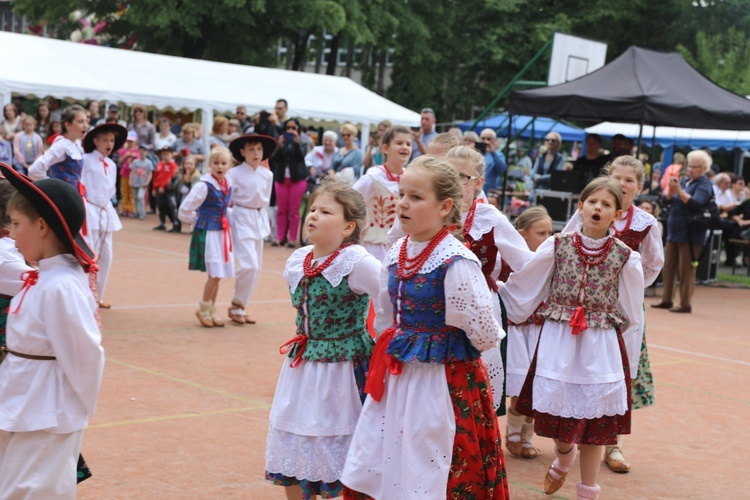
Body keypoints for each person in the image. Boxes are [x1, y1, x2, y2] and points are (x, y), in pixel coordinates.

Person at [341, 156, 509, 499]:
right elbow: (386, 313)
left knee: (432, 458)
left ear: (445, 206)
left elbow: (485, 333)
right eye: (402, 194)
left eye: (416, 197)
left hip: (443, 381)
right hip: (400, 375)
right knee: (389, 452)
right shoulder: (398, 250)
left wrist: (437, 342)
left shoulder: (457, 262)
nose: (403, 203)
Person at [500, 177, 644, 499]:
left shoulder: (624, 257)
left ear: (617, 215)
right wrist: (498, 294)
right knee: (554, 416)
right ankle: (565, 454)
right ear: (580, 207)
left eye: (606, 205)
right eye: (593, 201)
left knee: (595, 427)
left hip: (599, 346)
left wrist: (602, 324)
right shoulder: (557, 246)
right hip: (558, 342)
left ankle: (587, 492)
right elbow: (528, 284)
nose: (598, 207)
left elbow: (630, 309)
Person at [265, 181, 381, 499]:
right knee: (294, 437)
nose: (313, 215)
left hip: (343, 368)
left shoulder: (357, 262)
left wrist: (382, 338)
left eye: (325, 211)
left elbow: (389, 298)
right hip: (302, 363)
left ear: (348, 226)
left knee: (341, 440)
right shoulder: (300, 259)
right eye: (313, 208)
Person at [0, 164, 104, 499]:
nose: (11, 234)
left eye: (16, 224)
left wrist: (72, 410)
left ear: (42, 226)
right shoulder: (43, 278)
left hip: (47, 411)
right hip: (25, 400)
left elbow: (85, 356)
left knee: (37, 491)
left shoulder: (61, 287)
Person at [564, 155, 664, 473]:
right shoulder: (590, 208)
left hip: (622, 312)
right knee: (574, 364)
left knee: (618, 371)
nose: (622, 184)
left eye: (629, 180)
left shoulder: (646, 223)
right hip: (583, 306)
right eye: (617, 177)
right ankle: (566, 435)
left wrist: (628, 289)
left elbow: (653, 263)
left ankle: (612, 443)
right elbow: (564, 243)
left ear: (639, 186)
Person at [503, 206, 553, 459]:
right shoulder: (509, 261)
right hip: (517, 332)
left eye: (549, 233)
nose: (547, 238)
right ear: (522, 235)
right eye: (540, 233)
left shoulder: (552, 262)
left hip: (541, 331)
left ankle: (527, 435)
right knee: (521, 385)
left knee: (536, 385)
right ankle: (512, 433)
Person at [179, 147, 234, 328]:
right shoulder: (204, 185)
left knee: (218, 276)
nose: (219, 166)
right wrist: (196, 220)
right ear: (210, 164)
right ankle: (203, 309)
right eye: (216, 163)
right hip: (209, 233)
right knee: (214, 274)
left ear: (229, 165)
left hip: (222, 233)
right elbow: (185, 209)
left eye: (223, 163)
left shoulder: (227, 184)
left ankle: (210, 310)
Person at [653, 150, 714, 313]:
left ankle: (685, 303)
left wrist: (679, 191)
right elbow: (667, 199)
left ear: (704, 168)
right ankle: (667, 299)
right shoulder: (686, 181)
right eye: (690, 165)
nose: (691, 169)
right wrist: (671, 190)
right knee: (669, 267)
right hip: (674, 230)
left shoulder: (704, 184)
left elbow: (696, 202)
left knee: (686, 270)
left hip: (691, 232)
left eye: (695, 166)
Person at [226, 134, 276, 325]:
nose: (256, 153)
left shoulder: (267, 174)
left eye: (259, 150)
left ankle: (240, 306)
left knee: (257, 267)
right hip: (241, 217)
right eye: (251, 149)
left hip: (259, 218)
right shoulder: (234, 173)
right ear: (242, 152)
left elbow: (266, 199)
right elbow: (227, 196)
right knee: (249, 264)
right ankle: (236, 303)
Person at [80, 123, 128, 309]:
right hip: (90, 210)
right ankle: (85, 294)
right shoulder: (86, 159)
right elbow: (81, 183)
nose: (109, 143)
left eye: (112, 140)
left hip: (105, 212)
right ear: (95, 141)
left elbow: (111, 190)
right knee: (90, 253)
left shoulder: (112, 164)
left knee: (106, 256)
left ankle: (97, 295)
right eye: (105, 140)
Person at [353, 125, 412, 260]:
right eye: (399, 143)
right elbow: (351, 200)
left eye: (408, 144)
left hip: (402, 244)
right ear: (385, 148)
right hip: (376, 244)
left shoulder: (410, 176)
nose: (405, 147)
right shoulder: (373, 177)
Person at [29, 105, 88, 190]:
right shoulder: (61, 146)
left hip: (74, 195)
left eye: (86, 121)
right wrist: (50, 188)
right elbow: (35, 169)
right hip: (62, 197)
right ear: (68, 125)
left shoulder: (77, 144)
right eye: (80, 122)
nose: (86, 126)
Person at [269, 118, 308, 248]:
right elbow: (274, 159)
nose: (290, 131)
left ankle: (292, 238)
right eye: (288, 128)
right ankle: (281, 237)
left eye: (293, 128)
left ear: (298, 130)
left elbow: (300, 158)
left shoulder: (303, 142)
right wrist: (280, 147)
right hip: (281, 179)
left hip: (297, 180)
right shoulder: (280, 142)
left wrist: (296, 144)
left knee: (294, 211)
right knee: (281, 210)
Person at [152, 146, 181, 233]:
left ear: (172, 155)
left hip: (169, 189)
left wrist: (163, 186)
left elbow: (169, 177)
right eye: (163, 154)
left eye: (167, 154)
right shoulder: (159, 164)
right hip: (158, 189)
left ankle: (176, 223)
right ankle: (162, 223)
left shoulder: (173, 165)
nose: (165, 156)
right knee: (160, 206)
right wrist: (154, 188)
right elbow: (155, 176)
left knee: (172, 206)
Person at [117, 131, 140, 218]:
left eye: (132, 141)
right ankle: (125, 209)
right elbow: (120, 162)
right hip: (124, 173)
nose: (130, 143)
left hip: (134, 175)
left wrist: (135, 157)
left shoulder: (138, 151)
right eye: (129, 141)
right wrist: (125, 156)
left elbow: (141, 161)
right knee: (124, 191)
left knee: (132, 193)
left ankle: (131, 209)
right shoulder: (123, 151)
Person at [480, 128, 508, 195]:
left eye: (489, 139)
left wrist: (493, 153)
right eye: (483, 138)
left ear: (494, 140)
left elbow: (502, 169)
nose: (485, 141)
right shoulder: (475, 153)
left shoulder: (499, 155)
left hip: (489, 191)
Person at [130, 145, 154, 220]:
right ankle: (136, 212)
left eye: (144, 151)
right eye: (140, 151)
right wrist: (130, 181)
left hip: (143, 183)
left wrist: (147, 182)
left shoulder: (148, 162)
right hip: (135, 182)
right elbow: (132, 172)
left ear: (146, 152)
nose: (142, 153)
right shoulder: (135, 161)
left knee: (140, 197)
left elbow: (150, 173)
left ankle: (142, 213)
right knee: (135, 198)